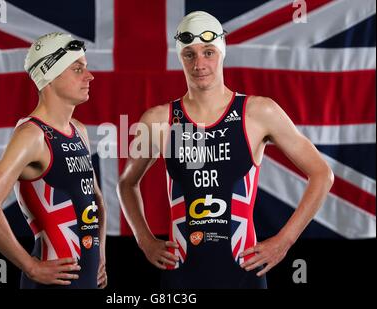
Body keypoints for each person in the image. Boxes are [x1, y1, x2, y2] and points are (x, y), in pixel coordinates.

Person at [117, 11, 334, 288]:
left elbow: (322, 174)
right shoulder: (159, 120)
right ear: (180, 58)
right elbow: (127, 184)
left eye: (208, 52)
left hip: (243, 273)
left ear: (222, 52)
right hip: (181, 276)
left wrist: (284, 241)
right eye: (189, 54)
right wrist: (144, 239)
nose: (199, 63)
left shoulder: (258, 112)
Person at [0, 32, 107, 289]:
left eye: (86, 68)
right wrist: (30, 266)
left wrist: (100, 257)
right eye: (78, 69)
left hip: (87, 279)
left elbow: (96, 201)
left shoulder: (79, 130)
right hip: (50, 282)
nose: (89, 76)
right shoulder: (31, 135)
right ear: (50, 76)